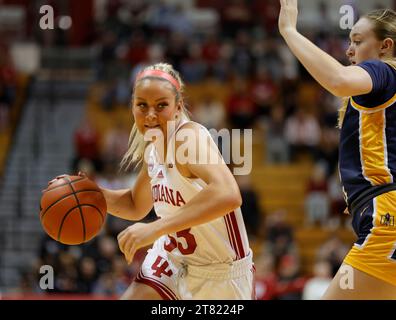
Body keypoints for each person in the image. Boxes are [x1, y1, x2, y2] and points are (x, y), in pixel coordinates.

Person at [89, 63, 253, 300]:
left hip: (220, 272)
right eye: (142, 105)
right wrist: (92, 195)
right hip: (173, 257)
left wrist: (155, 228)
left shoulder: (188, 138)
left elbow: (228, 194)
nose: (151, 115)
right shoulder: (155, 146)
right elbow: (136, 204)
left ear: (178, 107)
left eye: (161, 105)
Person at [278, 0, 396, 299]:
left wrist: (289, 30)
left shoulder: (382, 72)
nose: (349, 50)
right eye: (349, 41)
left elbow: (338, 80)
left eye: (358, 41)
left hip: (387, 222)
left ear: (385, 46)